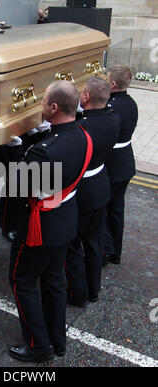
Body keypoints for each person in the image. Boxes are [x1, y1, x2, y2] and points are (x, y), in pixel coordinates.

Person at [8, 80, 93, 362]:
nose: (40, 106)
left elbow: (17, 187)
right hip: (66, 218)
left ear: (54, 108)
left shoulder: (43, 151)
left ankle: (39, 345)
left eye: (43, 102)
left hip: (40, 226)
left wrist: (14, 151)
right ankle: (58, 341)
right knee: (54, 280)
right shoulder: (83, 134)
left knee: (22, 280)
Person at [64, 77, 120, 307]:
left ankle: (77, 293)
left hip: (84, 193)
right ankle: (93, 290)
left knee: (73, 245)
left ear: (85, 97)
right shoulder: (114, 118)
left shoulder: (82, 128)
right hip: (101, 186)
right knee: (94, 242)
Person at [104, 65, 138, 265]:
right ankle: (116, 251)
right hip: (126, 162)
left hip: (112, 164)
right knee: (116, 210)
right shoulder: (131, 103)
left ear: (113, 84)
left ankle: (105, 251)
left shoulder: (111, 106)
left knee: (103, 210)